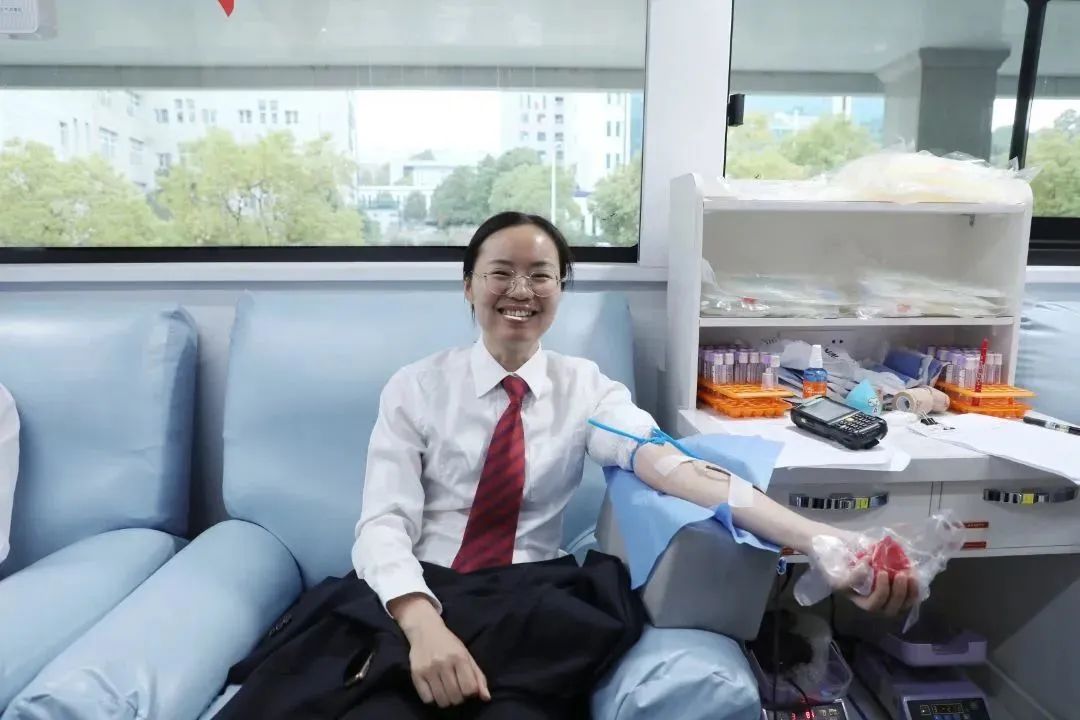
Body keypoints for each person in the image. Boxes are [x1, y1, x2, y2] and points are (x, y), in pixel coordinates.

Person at [217, 212, 918, 719]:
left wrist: (826, 542)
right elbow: (381, 527)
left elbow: (672, 469)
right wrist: (424, 626)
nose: (519, 289)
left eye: (540, 275)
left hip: (528, 604)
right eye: (501, 272)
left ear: (560, 289)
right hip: (419, 591)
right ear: (469, 286)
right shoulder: (416, 388)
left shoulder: (587, 389)